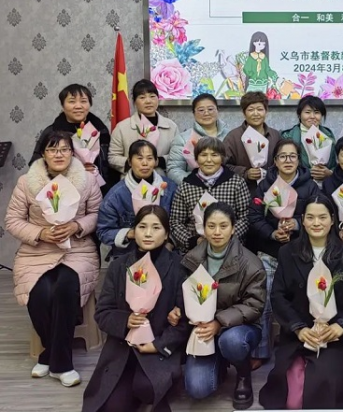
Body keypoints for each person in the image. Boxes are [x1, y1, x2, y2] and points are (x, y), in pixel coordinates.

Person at [258, 196, 343, 410]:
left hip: (333, 336)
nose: (317, 223)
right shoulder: (288, 252)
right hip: (299, 333)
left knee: (318, 389)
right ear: (303, 221)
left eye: (322, 217)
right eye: (311, 217)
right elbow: (278, 296)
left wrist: (341, 326)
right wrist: (298, 328)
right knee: (289, 397)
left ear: (332, 220)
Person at [5, 130, 101, 387]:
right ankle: (58, 358)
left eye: (64, 149)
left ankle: (55, 360)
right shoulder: (27, 182)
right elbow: (13, 221)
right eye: (52, 149)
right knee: (40, 291)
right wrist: (41, 233)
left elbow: (96, 214)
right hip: (36, 250)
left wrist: (77, 226)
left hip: (77, 250)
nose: (58, 154)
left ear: (73, 153)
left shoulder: (88, 180)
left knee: (67, 286)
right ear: (43, 153)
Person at [81, 206, 189, 412]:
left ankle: (154, 386)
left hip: (156, 347)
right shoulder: (119, 266)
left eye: (156, 227)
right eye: (142, 227)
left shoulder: (179, 268)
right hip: (123, 349)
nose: (148, 233)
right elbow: (102, 312)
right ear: (134, 231)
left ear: (166, 234)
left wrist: (158, 345)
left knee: (147, 388)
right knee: (112, 407)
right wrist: (125, 321)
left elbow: (183, 322)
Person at [172, 202, 267, 408]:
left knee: (232, 341)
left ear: (233, 228)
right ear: (203, 228)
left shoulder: (250, 263)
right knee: (197, 388)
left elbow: (254, 305)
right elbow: (181, 293)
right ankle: (220, 362)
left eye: (223, 226)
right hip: (203, 330)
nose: (217, 232)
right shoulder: (190, 259)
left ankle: (243, 374)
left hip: (240, 328)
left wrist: (219, 322)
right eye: (211, 226)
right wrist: (178, 309)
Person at [248, 139, 320, 367]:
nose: (287, 161)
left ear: (299, 160)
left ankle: (304, 344)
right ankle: (261, 350)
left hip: (302, 253)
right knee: (265, 297)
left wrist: (297, 225)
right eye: (282, 156)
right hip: (270, 252)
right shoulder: (265, 186)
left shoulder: (310, 186)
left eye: (292, 156)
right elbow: (254, 217)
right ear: (275, 161)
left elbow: (319, 216)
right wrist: (272, 234)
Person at [169, 137, 250, 254]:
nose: (209, 160)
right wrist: (194, 241)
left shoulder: (236, 182)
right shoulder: (186, 186)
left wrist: (224, 237)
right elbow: (176, 222)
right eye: (203, 155)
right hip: (195, 250)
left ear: (222, 158)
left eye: (214, 155)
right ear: (196, 158)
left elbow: (245, 217)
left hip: (230, 249)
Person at [97, 140, 177, 259]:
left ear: (155, 162)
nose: (145, 163)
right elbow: (103, 231)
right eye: (139, 158)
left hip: (165, 250)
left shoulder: (170, 188)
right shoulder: (116, 194)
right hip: (128, 254)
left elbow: (180, 222)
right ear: (129, 161)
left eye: (150, 158)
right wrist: (129, 234)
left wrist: (170, 241)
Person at [30, 83, 112, 189]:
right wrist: (71, 170)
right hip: (63, 190)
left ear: (89, 105)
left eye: (83, 101)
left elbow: (110, 161)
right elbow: (35, 163)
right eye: (72, 101)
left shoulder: (100, 130)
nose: (78, 106)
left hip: (100, 189)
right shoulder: (52, 132)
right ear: (63, 106)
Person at [109, 79, 179, 177]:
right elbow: (112, 157)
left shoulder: (171, 126)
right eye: (142, 97)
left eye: (152, 96)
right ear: (134, 102)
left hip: (162, 181)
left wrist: (158, 161)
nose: (148, 101)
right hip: (131, 181)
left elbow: (178, 156)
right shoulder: (122, 127)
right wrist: (135, 162)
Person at [223, 91, 282, 194]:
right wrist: (245, 173)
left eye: (260, 109)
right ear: (243, 112)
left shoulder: (275, 135)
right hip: (243, 193)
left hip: (273, 191)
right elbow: (223, 167)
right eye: (251, 110)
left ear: (266, 111)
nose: (256, 113)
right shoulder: (233, 137)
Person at [167, 93, 231, 184]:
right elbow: (174, 169)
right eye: (201, 110)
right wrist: (194, 184)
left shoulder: (230, 135)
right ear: (193, 113)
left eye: (210, 109)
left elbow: (236, 165)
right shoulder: (183, 138)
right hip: (194, 190)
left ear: (217, 110)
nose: (206, 113)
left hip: (226, 189)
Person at [281, 96, 337, 180]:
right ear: (299, 115)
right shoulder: (287, 136)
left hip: (326, 185)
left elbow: (335, 163)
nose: (312, 116)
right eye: (307, 112)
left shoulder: (328, 135)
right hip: (299, 186)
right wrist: (307, 173)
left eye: (317, 112)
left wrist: (329, 173)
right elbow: (282, 165)